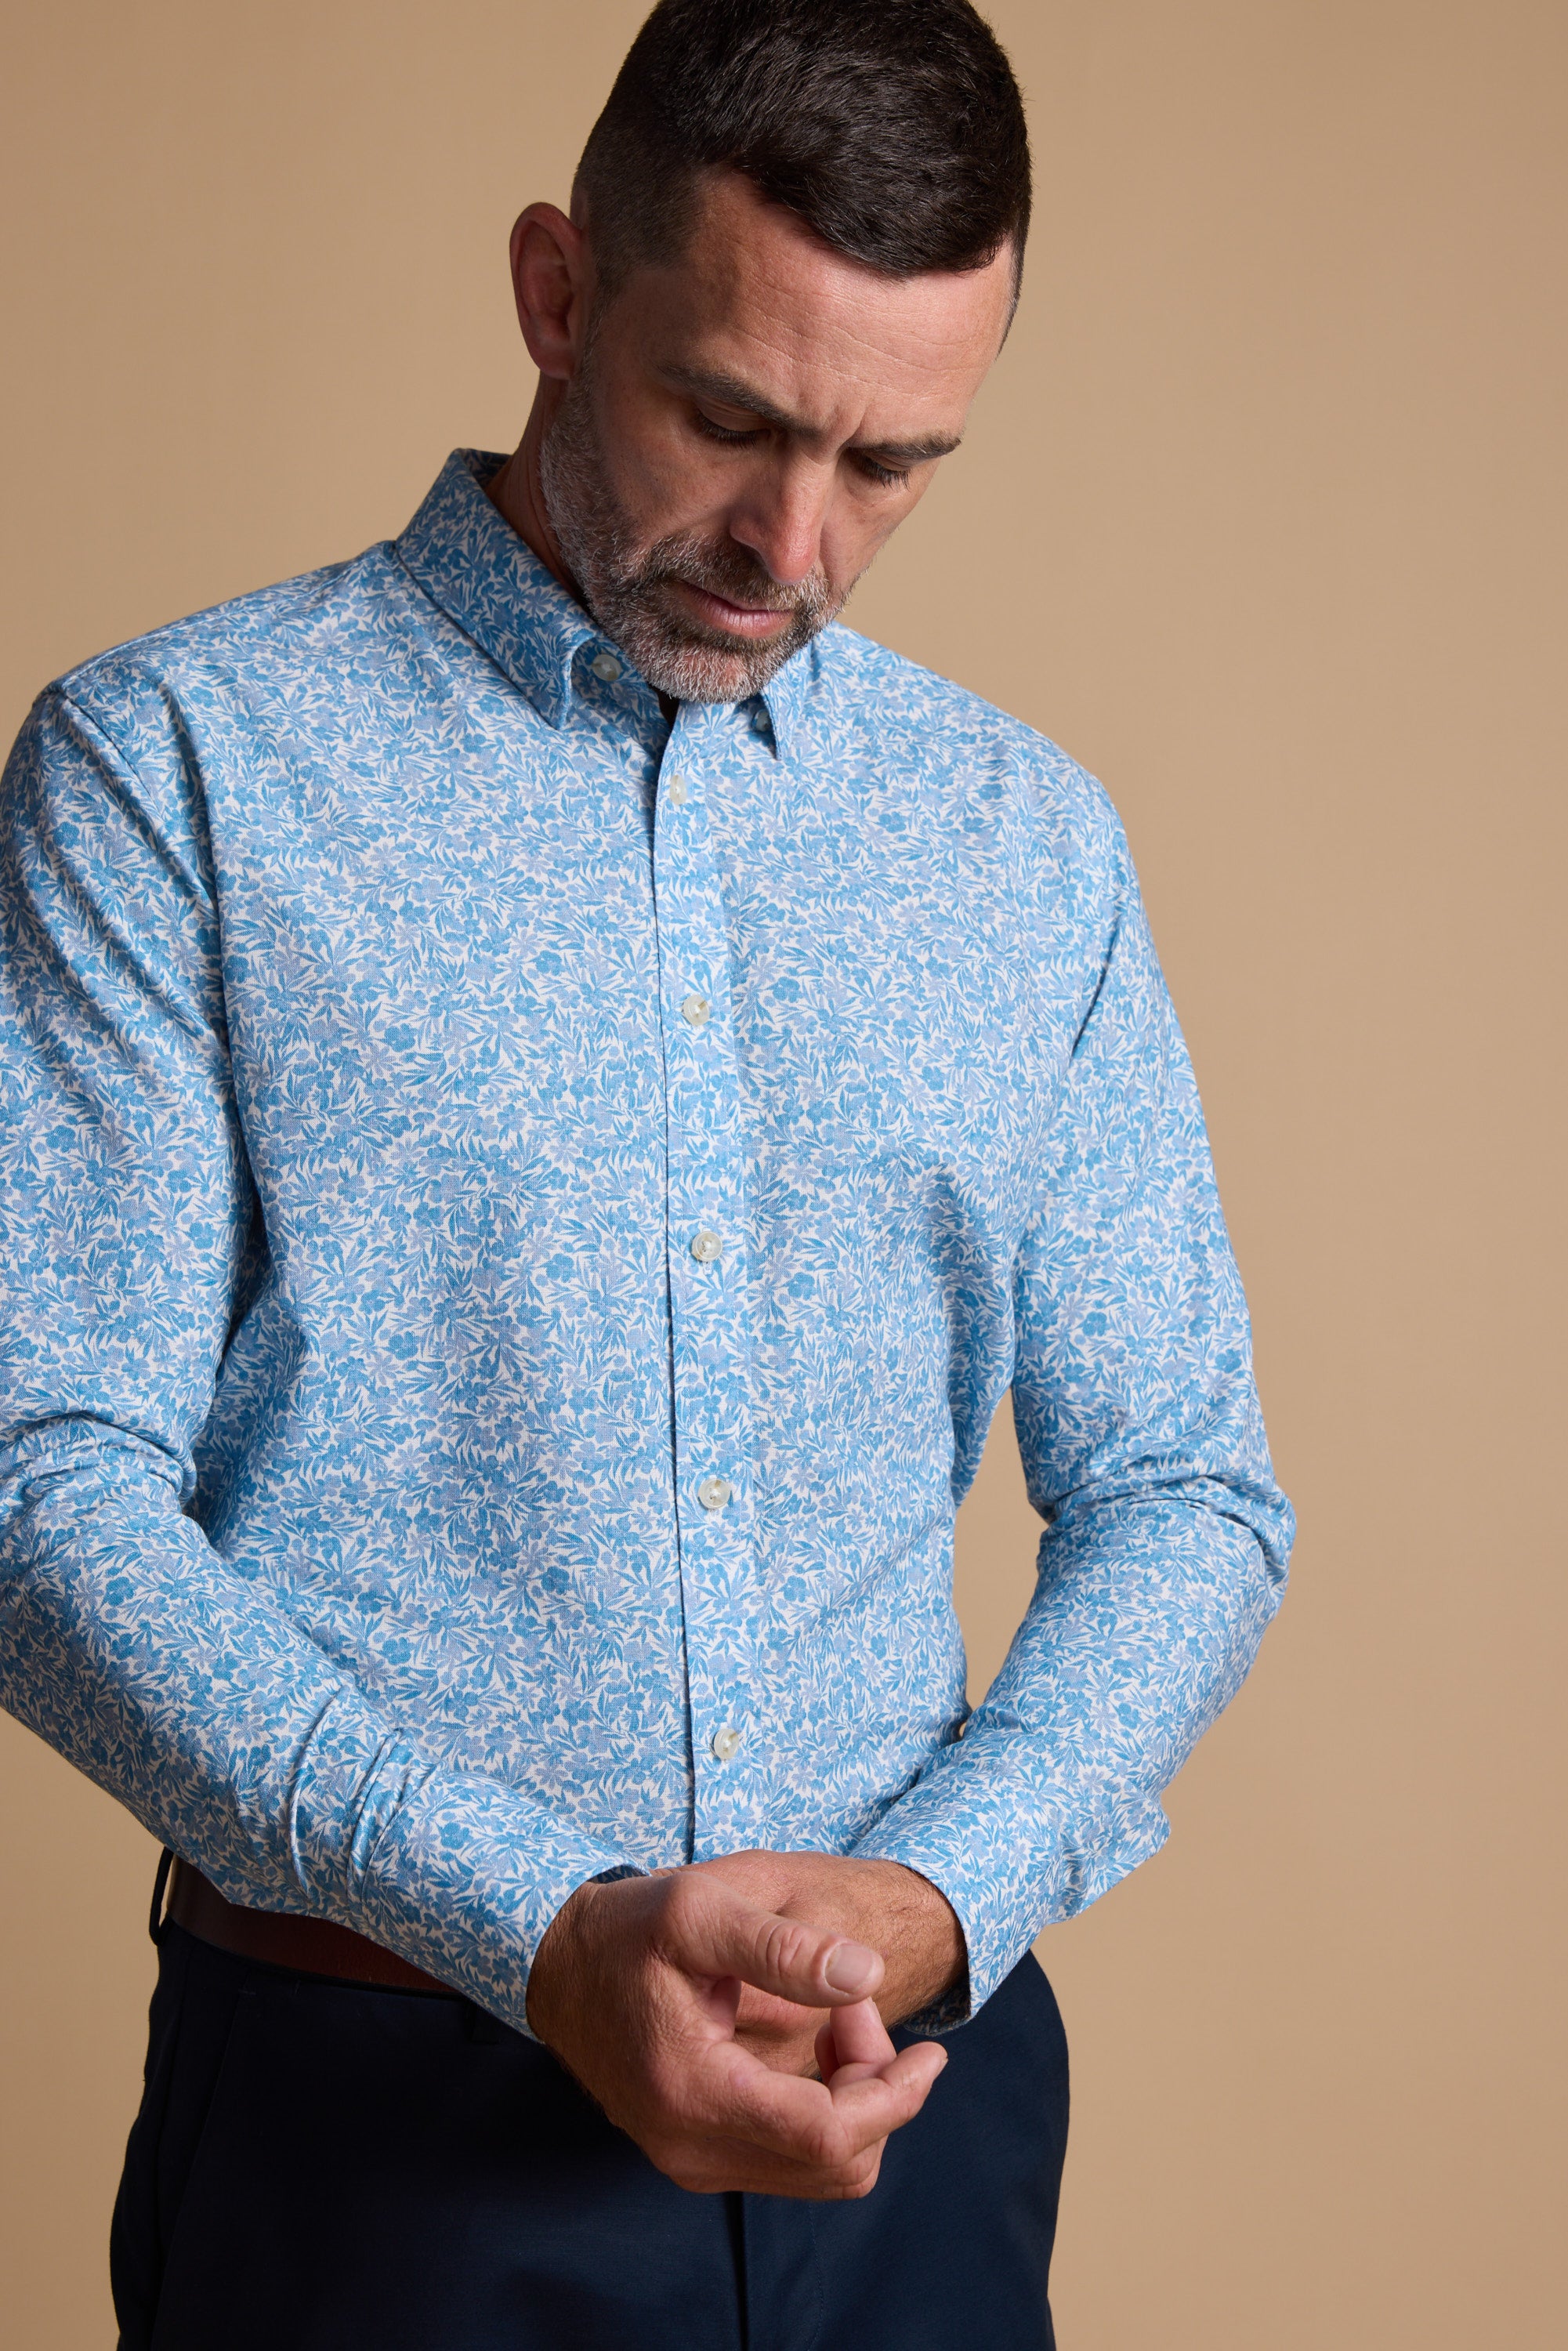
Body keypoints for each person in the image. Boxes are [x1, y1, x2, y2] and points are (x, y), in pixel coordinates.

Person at [0, 2, 1293, 2344]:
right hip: (367, 2123)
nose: (794, 545)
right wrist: (540, 1929)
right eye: (730, 419)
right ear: (557, 293)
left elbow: (1189, 1490)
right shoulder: (171, 770)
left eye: (895, 463)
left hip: (910, 2108)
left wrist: (934, 1902)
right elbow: (37, 1479)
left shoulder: (1022, 848)